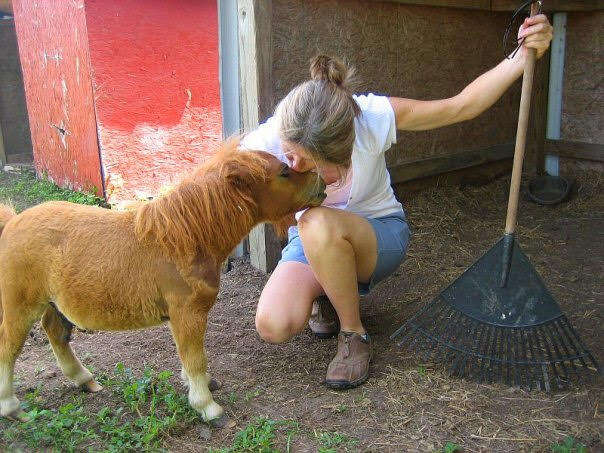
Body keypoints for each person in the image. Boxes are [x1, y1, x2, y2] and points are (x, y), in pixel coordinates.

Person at [240, 14, 553, 389]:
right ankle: (328, 294)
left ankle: (353, 335)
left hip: (378, 234)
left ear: (343, 150)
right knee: (273, 325)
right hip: (310, 244)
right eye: (291, 155)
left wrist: (521, 57)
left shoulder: (370, 119)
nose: (296, 166)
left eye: (314, 163)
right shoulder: (270, 141)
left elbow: (460, 106)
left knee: (315, 221)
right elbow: (214, 188)